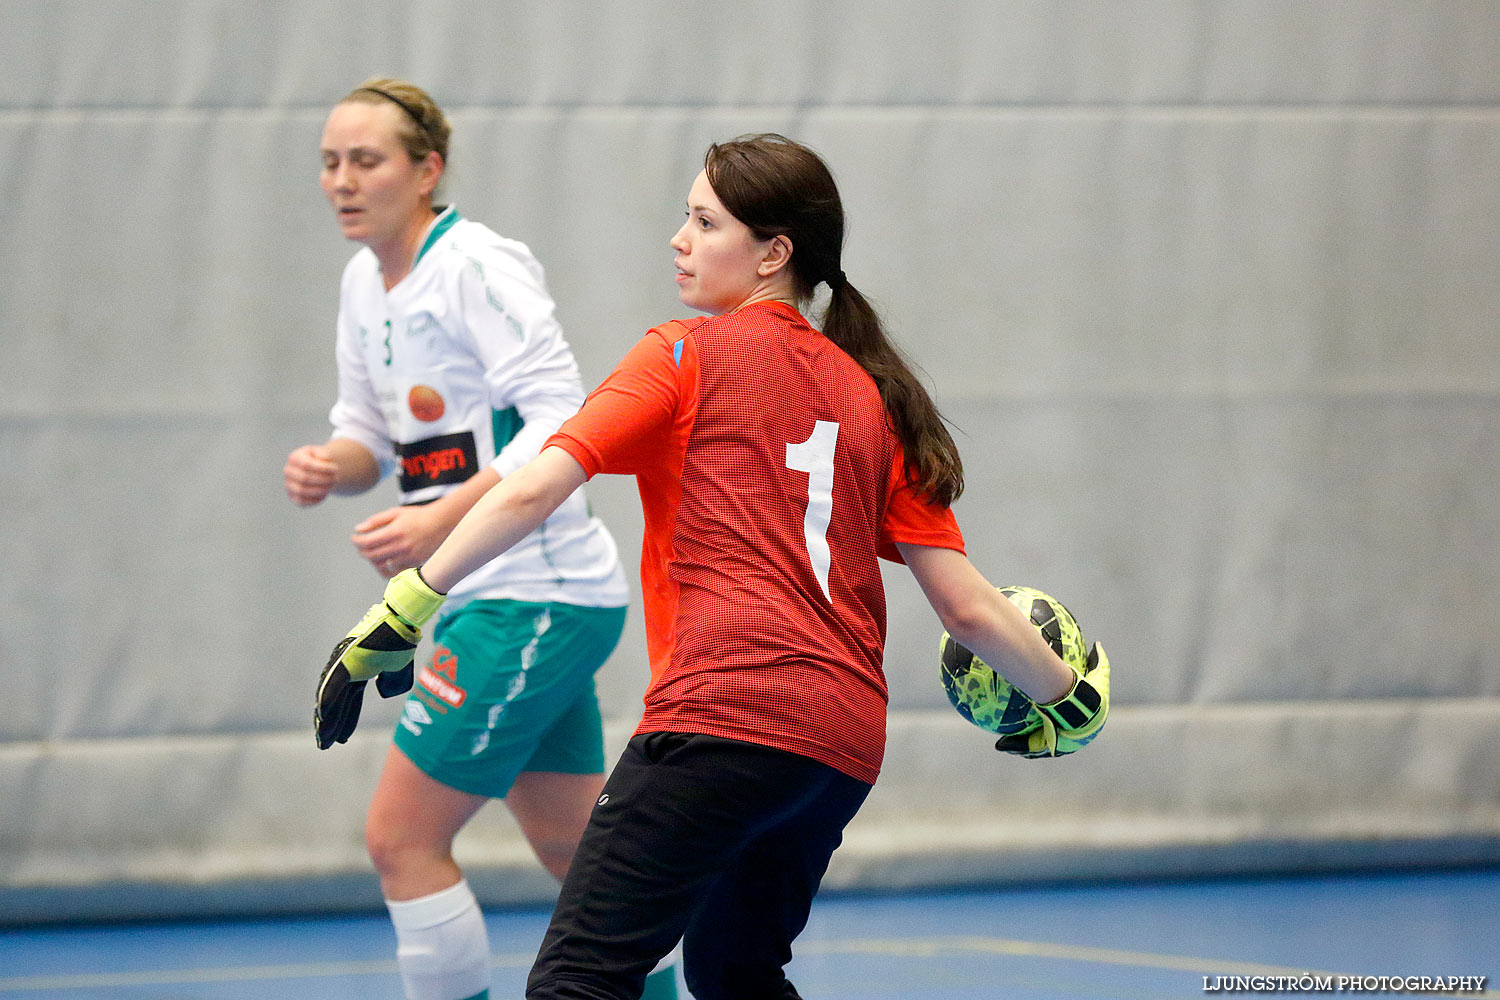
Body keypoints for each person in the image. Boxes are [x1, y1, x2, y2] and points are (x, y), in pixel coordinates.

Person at [324, 132, 1110, 1000]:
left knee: (577, 981)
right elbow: (967, 608)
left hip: (722, 718)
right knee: (736, 973)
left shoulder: (682, 353)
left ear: (775, 253)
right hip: (839, 746)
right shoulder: (874, 395)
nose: (679, 238)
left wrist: (405, 603)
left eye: (704, 221)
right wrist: (1065, 695)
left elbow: (532, 488)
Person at [288, 78, 681, 1000]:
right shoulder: (363, 281)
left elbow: (562, 416)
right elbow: (368, 435)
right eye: (330, 162)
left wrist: (442, 515)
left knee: (402, 841)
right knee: (576, 854)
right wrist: (330, 466)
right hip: (492, 596)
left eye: (367, 160)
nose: (343, 180)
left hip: (530, 596)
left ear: (426, 169)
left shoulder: (476, 266)